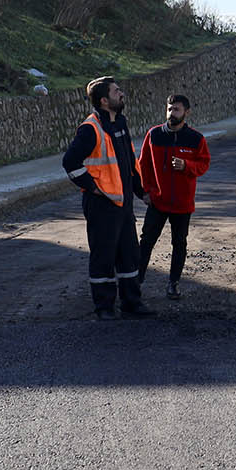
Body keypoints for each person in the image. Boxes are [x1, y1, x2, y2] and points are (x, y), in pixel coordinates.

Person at [60, 76, 153, 320]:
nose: (121, 94)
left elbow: (128, 164)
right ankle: (104, 307)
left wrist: (140, 191)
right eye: (116, 91)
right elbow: (70, 162)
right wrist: (92, 187)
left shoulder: (120, 123)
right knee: (104, 255)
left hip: (122, 203)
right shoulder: (90, 129)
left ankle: (132, 303)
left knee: (129, 254)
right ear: (104, 100)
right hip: (101, 204)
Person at [137, 92, 210, 300]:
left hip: (182, 203)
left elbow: (204, 164)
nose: (172, 113)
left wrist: (187, 165)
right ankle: (137, 280)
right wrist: (146, 191)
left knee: (179, 243)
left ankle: (173, 283)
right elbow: (144, 166)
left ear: (186, 112)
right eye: (169, 109)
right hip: (157, 201)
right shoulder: (154, 135)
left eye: (176, 109)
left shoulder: (196, 139)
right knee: (146, 241)